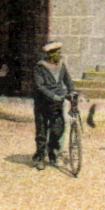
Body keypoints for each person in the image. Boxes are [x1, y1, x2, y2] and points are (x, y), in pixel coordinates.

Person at [32, 41, 73, 169]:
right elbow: (40, 86)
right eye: (56, 53)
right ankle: (40, 157)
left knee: (58, 129)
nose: (59, 55)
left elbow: (68, 80)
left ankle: (53, 155)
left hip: (57, 103)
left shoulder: (61, 65)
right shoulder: (40, 67)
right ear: (50, 54)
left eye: (59, 52)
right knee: (42, 131)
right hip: (43, 103)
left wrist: (72, 91)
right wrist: (52, 96)